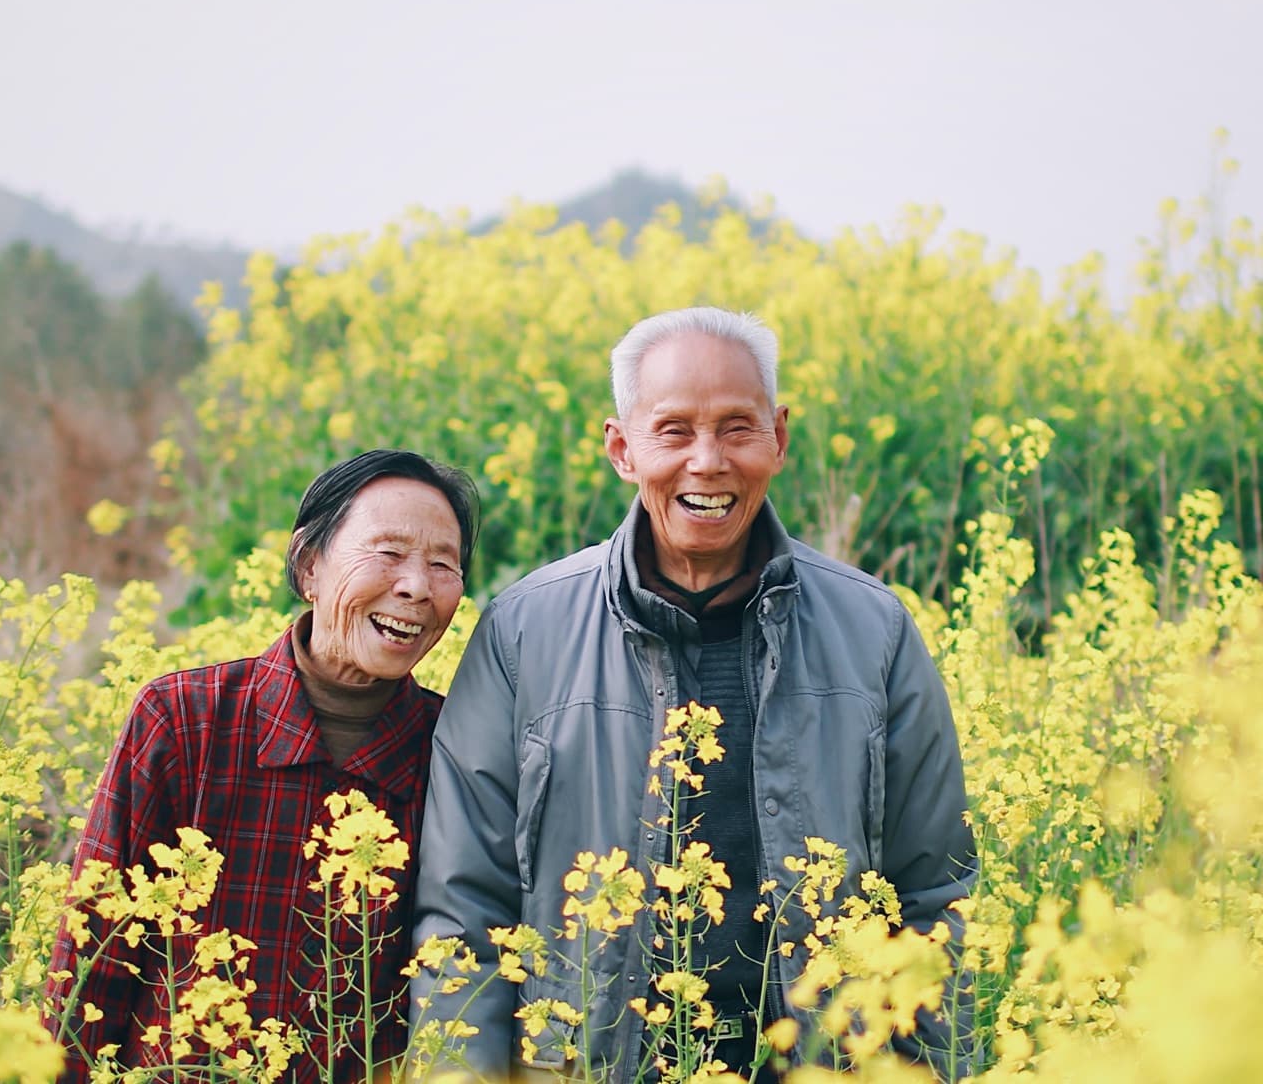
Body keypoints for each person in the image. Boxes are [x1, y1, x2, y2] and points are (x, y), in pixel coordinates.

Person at [410, 307, 977, 1081]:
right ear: (622, 447)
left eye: (737, 428)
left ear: (778, 437)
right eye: (673, 430)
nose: (707, 462)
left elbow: (937, 894)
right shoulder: (523, 633)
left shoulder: (873, 629)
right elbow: (464, 911)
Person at [48, 449, 481, 1083]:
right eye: (388, 554)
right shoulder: (183, 721)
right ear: (309, 565)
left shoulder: (456, 748)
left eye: (443, 564)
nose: (417, 586)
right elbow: (95, 959)